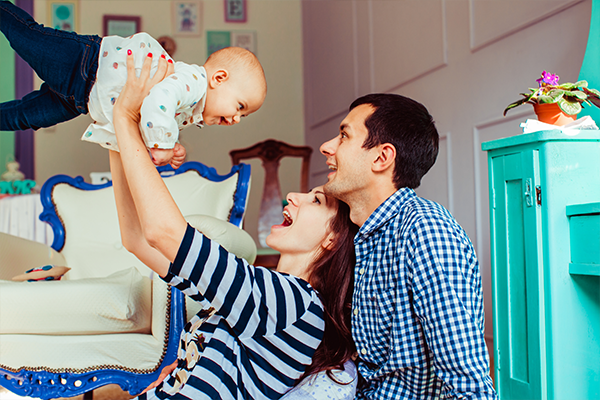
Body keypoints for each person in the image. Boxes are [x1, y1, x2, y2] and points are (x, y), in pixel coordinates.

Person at [109, 53, 358, 399]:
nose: (293, 196)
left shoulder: (294, 304)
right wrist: (116, 129)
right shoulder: (258, 294)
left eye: (316, 200)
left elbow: (162, 232)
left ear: (332, 238)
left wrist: (123, 116)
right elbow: (137, 239)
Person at [319, 93, 498, 399]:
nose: (327, 146)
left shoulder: (426, 232)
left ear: (381, 158)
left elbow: (469, 384)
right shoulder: (360, 232)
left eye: (344, 135)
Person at [0, 1, 266, 168]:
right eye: (240, 106)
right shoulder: (194, 83)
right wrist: (163, 144)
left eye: (244, 114)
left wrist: (167, 147)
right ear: (218, 79)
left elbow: (141, 120)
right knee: (24, 33)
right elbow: (159, 97)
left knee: (24, 117)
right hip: (85, 64)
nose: (237, 118)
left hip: (80, 98)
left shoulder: (189, 110)